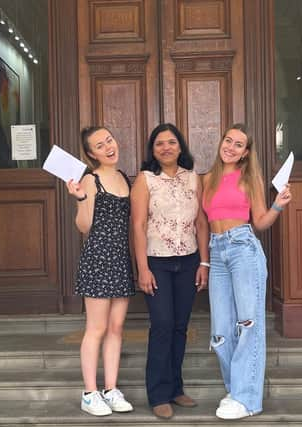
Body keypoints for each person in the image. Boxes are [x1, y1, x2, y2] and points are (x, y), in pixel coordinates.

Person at [202, 123, 292, 420]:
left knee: (248, 323)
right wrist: (204, 260)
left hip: (243, 248)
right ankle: (236, 389)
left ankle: (246, 398)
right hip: (217, 252)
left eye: (238, 144)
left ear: (246, 152)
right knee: (220, 330)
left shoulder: (249, 178)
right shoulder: (208, 179)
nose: (230, 146)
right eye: (227, 140)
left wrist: (278, 206)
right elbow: (202, 222)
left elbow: (260, 222)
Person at [130, 123, 210, 420]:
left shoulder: (193, 179)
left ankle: (176, 388)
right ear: (152, 149)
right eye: (159, 143)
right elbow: (137, 226)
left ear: (181, 147)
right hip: (157, 262)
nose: (166, 147)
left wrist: (204, 262)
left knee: (180, 326)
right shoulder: (145, 180)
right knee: (162, 325)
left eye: (171, 142)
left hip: (188, 261)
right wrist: (143, 268)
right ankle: (158, 393)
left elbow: (201, 223)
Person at [66, 126, 135, 417]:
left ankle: (110, 388)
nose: (108, 146)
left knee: (116, 328)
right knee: (96, 328)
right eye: (99, 145)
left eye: (109, 140)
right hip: (98, 259)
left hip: (120, 259)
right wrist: (80, 199)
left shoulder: (122, 177)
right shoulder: (90, 180)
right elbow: (83, 226)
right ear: (91, 154)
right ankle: (89, 392)